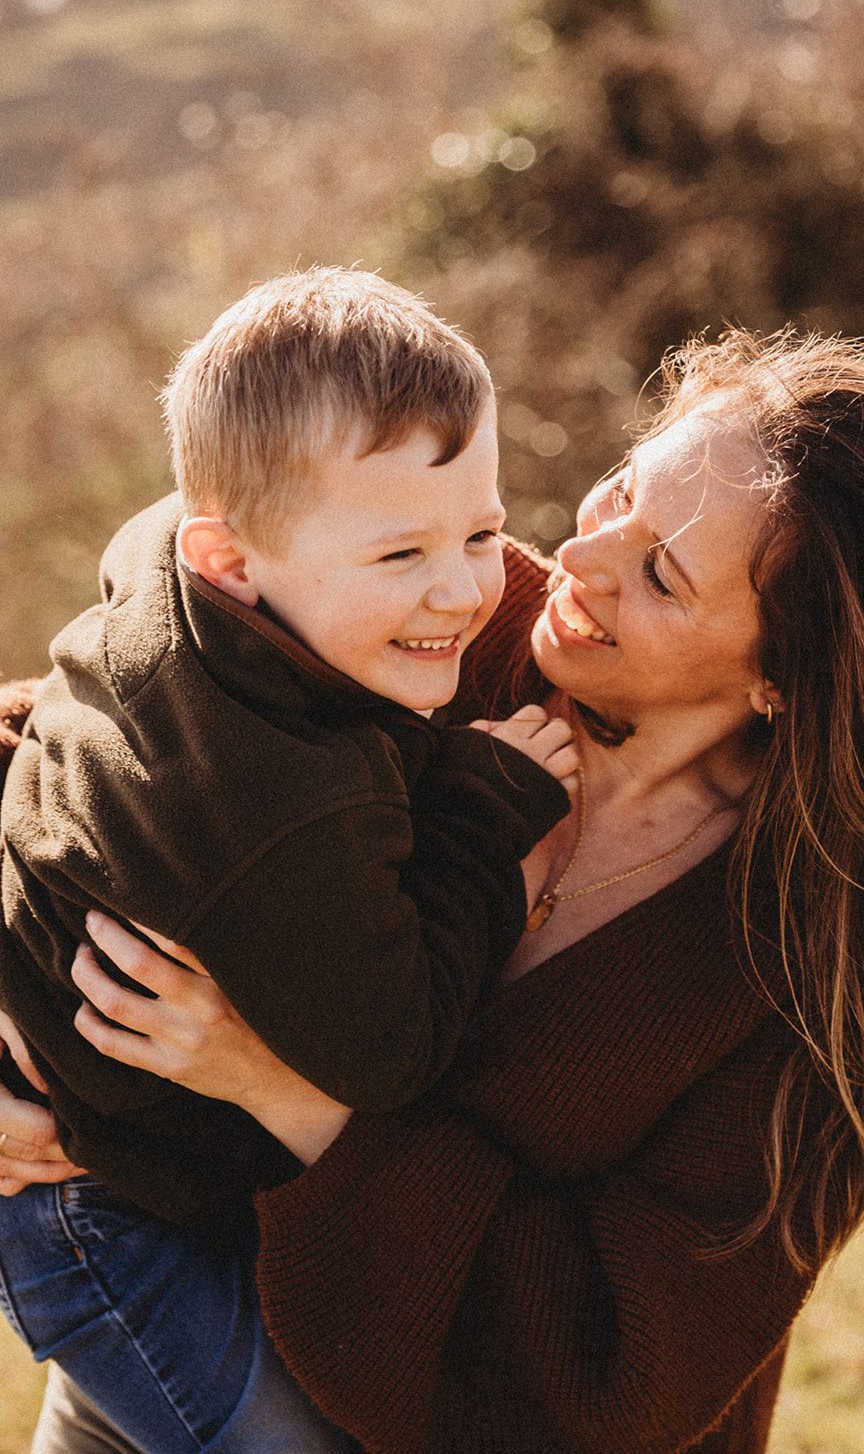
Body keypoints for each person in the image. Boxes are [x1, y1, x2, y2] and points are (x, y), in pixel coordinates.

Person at [0, 329, 864, 1454]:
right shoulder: (444, 628)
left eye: (662, 574)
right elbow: (94, 737)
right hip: (163, 1331)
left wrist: (275, 1083)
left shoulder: (816, 971)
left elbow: (610, 1382)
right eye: (621, 491)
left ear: (784, 676)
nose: (583, 559)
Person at [0, 268, 577, 1452]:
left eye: (483, 529)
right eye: (399, 555)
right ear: (230, 557)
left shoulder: (169, 561)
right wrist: (485, 807)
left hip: (145, 1164)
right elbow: (391, 1047)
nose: (466, 590)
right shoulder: (282, 804)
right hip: (98, 1218)